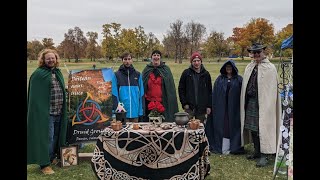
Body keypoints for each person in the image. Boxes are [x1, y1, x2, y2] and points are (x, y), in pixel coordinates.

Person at [27, 49, 68, 174]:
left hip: (59, 111)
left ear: (56, 59)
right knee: (48, 138)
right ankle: (44, 164)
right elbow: (35, 97)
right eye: (48, 58)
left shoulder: (58, 72)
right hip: (46, 113)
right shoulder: (38, 74)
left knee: (55, 136)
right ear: (43, 60)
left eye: (53, 58)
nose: (51, 60)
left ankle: (51, 158)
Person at [240, 43, 281, 167]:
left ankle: (265, 155)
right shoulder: (249, 66)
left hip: (265, 104)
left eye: (258, 52)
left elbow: (272, 89)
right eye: (254, 52)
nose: (256, 54)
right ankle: (257, 152)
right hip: (251, 101)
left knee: (263, 128)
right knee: (253, 128)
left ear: (263, 52)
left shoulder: (270, 68)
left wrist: (268, 103)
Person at [206, 60, 244, 155]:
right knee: (222, 125)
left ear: (234, 68)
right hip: (221, 107)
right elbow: (214, 94)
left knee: (233, 125)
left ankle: (234, 146)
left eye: (230, 67)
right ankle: (221, 146)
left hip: (234, 108)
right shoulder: (220, 79)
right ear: (224, 68)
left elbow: (242, 94)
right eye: (227, 67)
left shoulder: (239, 79)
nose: (228, 69)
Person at [142, 50, 178, 122]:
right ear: (151, 57)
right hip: (149, 102)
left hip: (163, 102)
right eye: (154, 55)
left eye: (158, 55)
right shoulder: (147, 70)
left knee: (163, 123)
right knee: (149, 123)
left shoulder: (166, 69)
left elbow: (170, 87)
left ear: (160, 57)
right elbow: (142, 85)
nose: (156, 57)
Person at [178, 52, 212, 123]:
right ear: (191, 62)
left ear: (201, 61)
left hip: (202, 108)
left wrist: (209, 106)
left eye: (198, 60)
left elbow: (210, 91)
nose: (196, 63)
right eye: (194, 61)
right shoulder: (186, 73)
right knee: (186, 127)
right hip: (189, 108)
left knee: (200, 129)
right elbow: (181, 89)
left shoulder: (206, 74)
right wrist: (184, 103)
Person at [112, 52, 144, 123]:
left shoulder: (138, 75)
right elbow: (114, 94)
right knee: (124, 133)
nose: (127, 61)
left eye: (129, 59)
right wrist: (117, 110)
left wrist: (140, 111)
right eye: (125, 59)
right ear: (122, 60)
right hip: (122, 113)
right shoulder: (116, 75)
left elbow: (141, 94)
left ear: (132, 60)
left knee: (135, 133)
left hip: (135, 112)